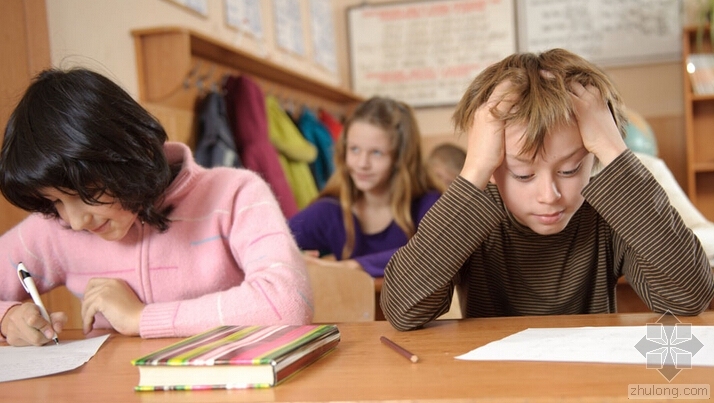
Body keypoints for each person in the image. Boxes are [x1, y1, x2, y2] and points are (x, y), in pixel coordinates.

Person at [381, 48, 714, 331]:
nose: (549, 195)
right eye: (523, 174)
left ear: (592, 157)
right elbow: (402, 310)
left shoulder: (612, 211)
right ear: (494, 167)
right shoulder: (472, 216)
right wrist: (474, 171)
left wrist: (614, 151)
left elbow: (689, 296)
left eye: (569, 169)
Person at [0, 68, 313, 346]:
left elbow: (286, 302)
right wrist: (8, 319)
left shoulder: (234, 194)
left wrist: (142, 318)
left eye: (87, 192)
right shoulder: (57, 227)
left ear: (126, 156)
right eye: (55, 201)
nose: (76, 221)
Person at [288, 97, 441, 277]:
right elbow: (265, 243)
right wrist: (293, 258)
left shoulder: (429, 203)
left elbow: (433, 252)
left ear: (401, 158)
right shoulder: (330, 210)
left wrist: (353, 267)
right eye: (354, 149)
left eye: (376, 153)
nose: (362, 163)